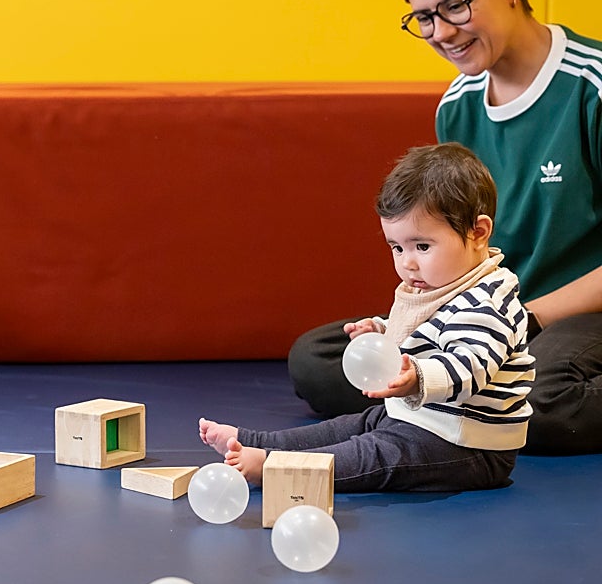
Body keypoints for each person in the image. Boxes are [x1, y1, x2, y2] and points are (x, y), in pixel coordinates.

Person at [288, 0, 602, 455]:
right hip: (485, 321)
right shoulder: (456, 105)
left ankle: (469, 394)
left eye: (456, 6)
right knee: (318, 360)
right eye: (423, 17)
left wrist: (525, 318)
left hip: (573, 319)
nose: (442, 33)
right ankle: (459, 392)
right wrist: (409, 330)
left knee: (549, 396)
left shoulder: (591, 88)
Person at [200, 143, 534, 491]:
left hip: (469, 444)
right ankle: (257, 441)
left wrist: (418, 377)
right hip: (423, 419)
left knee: (374, 453)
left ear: (478, 232)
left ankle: (275, 467)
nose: (408, 262)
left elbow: (470, 364)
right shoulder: (438, 282)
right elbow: (429, 332)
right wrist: (381, 330)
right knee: (349, 426)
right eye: (396, 247)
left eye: (422, 246)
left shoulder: (487, 301)